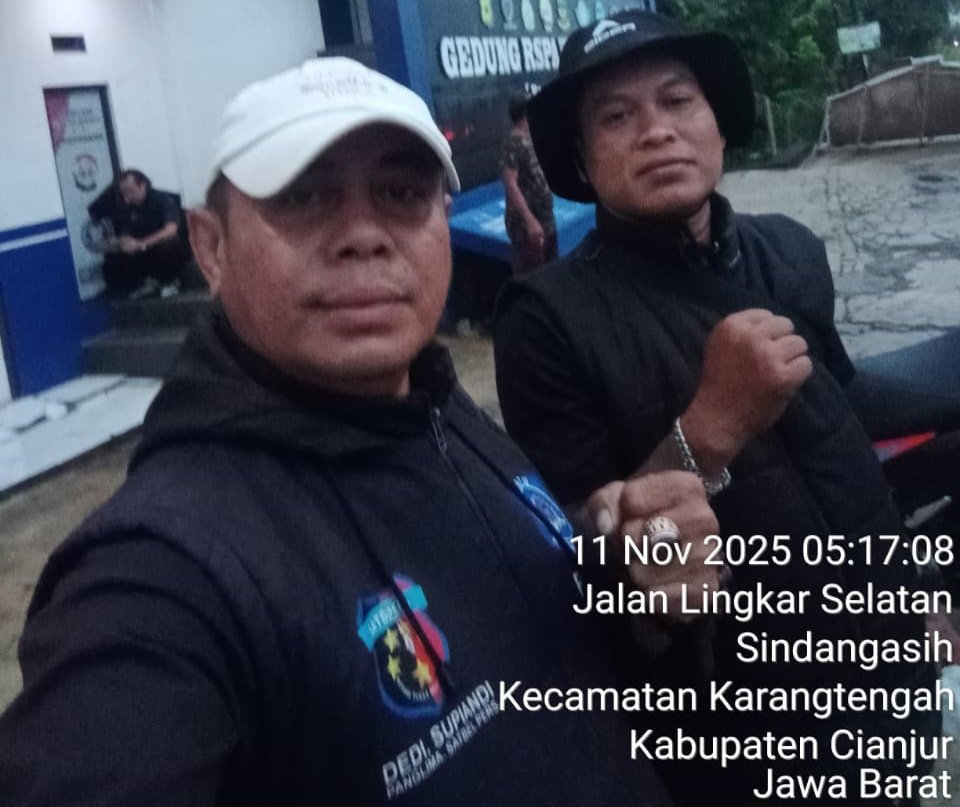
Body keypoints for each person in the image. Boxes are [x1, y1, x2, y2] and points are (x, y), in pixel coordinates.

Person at [0, 56, 720, 805]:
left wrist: (618, 570)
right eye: (304, 196)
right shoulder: (162, 571)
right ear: (212, 247)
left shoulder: (437, 405)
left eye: (401, 194)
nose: (364, 235)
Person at [494, 11, 941, 806]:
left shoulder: (790, 249)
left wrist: (920, 601)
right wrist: (709, 429)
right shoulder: (547, 320)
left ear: (719, 124)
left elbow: (844, 432)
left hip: (888, 688)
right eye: (617, 117)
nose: (656, 131)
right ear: (583, 161)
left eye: (679, 100)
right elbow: (583, 564)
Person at [93, 168, 191, 298]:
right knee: (112, 260)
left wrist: (142, 243)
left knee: (169, 245)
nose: (128, 197)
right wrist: (121, 242)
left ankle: (172, 282)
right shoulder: (129, 208)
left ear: (143, 185)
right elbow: (126, 232)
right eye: (125, 193)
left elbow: (170, 230)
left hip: (167, 244)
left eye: (131, 191)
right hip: (143, 248)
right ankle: (143, 283)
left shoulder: (163, 200)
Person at [499, 92, 557, 272]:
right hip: (528, 228)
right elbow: (510, 183)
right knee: (532, 276)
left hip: (546, 220)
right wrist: (530, 220)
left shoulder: (530, 136)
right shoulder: (514, 142)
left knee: (551, 271)